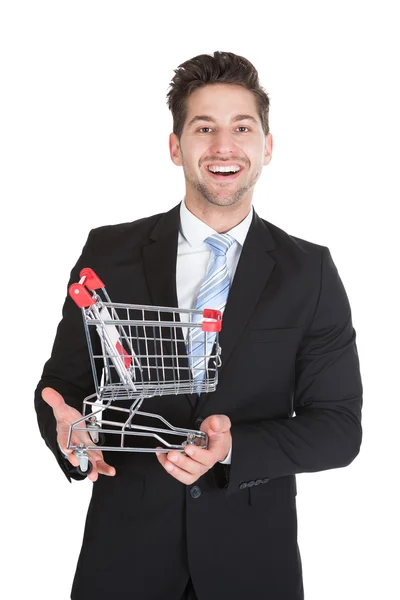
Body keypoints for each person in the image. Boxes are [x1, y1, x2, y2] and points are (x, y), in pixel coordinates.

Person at [34, 51, 363, 600]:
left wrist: (234, 448)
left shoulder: (311, 272)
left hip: (253, 565)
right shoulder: (109, 252)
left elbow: (338, 428)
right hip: (124, 562)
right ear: (175, 146)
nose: (223, 147)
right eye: (203, 128)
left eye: (242, 128)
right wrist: (67, 435)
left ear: (267, 147)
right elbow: (64, 387)